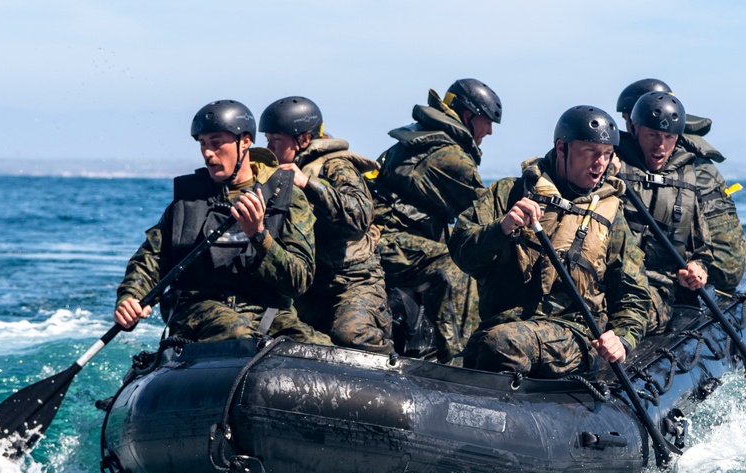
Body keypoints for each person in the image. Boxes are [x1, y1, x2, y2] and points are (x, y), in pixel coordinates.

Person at [448, 106, 650, 379]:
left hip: (574, 332)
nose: (600, 163)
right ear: (562, 148)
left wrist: (623, 339)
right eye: (590, 151)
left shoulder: (610, 215)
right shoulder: (509, 193)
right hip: (501, 326)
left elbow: (634, 295)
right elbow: (461, 251)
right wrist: (501, 228)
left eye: (606, 154)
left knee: (504, 344)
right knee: (463, 359)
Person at [114, 99, 321, 343]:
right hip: (198, 311)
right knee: (240, 336)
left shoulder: (287, 196)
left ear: (245, 141)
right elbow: (151, 258)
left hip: (268, 312)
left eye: (216, 143)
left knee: (322, 351)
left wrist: (259, 236)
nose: (207, 153)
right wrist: (130, 296)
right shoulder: (188, 200)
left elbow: (299, 280)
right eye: (202, 144)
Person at [368, 78, 502, 364]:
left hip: (384, 237)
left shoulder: (423, 138)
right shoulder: (450, 157)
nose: (489, 131)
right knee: (457, 265)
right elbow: (487, 210)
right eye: (487, 122)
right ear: (468, 117)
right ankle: (457, 360)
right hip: (387, 243)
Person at [260, 96, 393, 353]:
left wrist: (308, 184)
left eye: (275, 140)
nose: (268, 147)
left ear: (304, 140)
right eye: (267, 139)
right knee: (267, 330)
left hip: (354, 280)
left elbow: (359, 217)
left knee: (352, 336)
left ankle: (391, 373)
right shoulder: (276, 172)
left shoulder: (336, 166)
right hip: (308, 283)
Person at [616, 78, 746, 292]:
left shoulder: (683, 164)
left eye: (627, 118)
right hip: (719, 265)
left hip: (710, 271)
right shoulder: (684, 153)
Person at [616, 91, 722, 334]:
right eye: (652, 134)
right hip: (610, 282)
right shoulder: (609, 165)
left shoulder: (685, 179)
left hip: (657, 289)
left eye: (668, 136)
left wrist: (697, 270)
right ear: (635, 130)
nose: (660, 145)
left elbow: (701, 251)